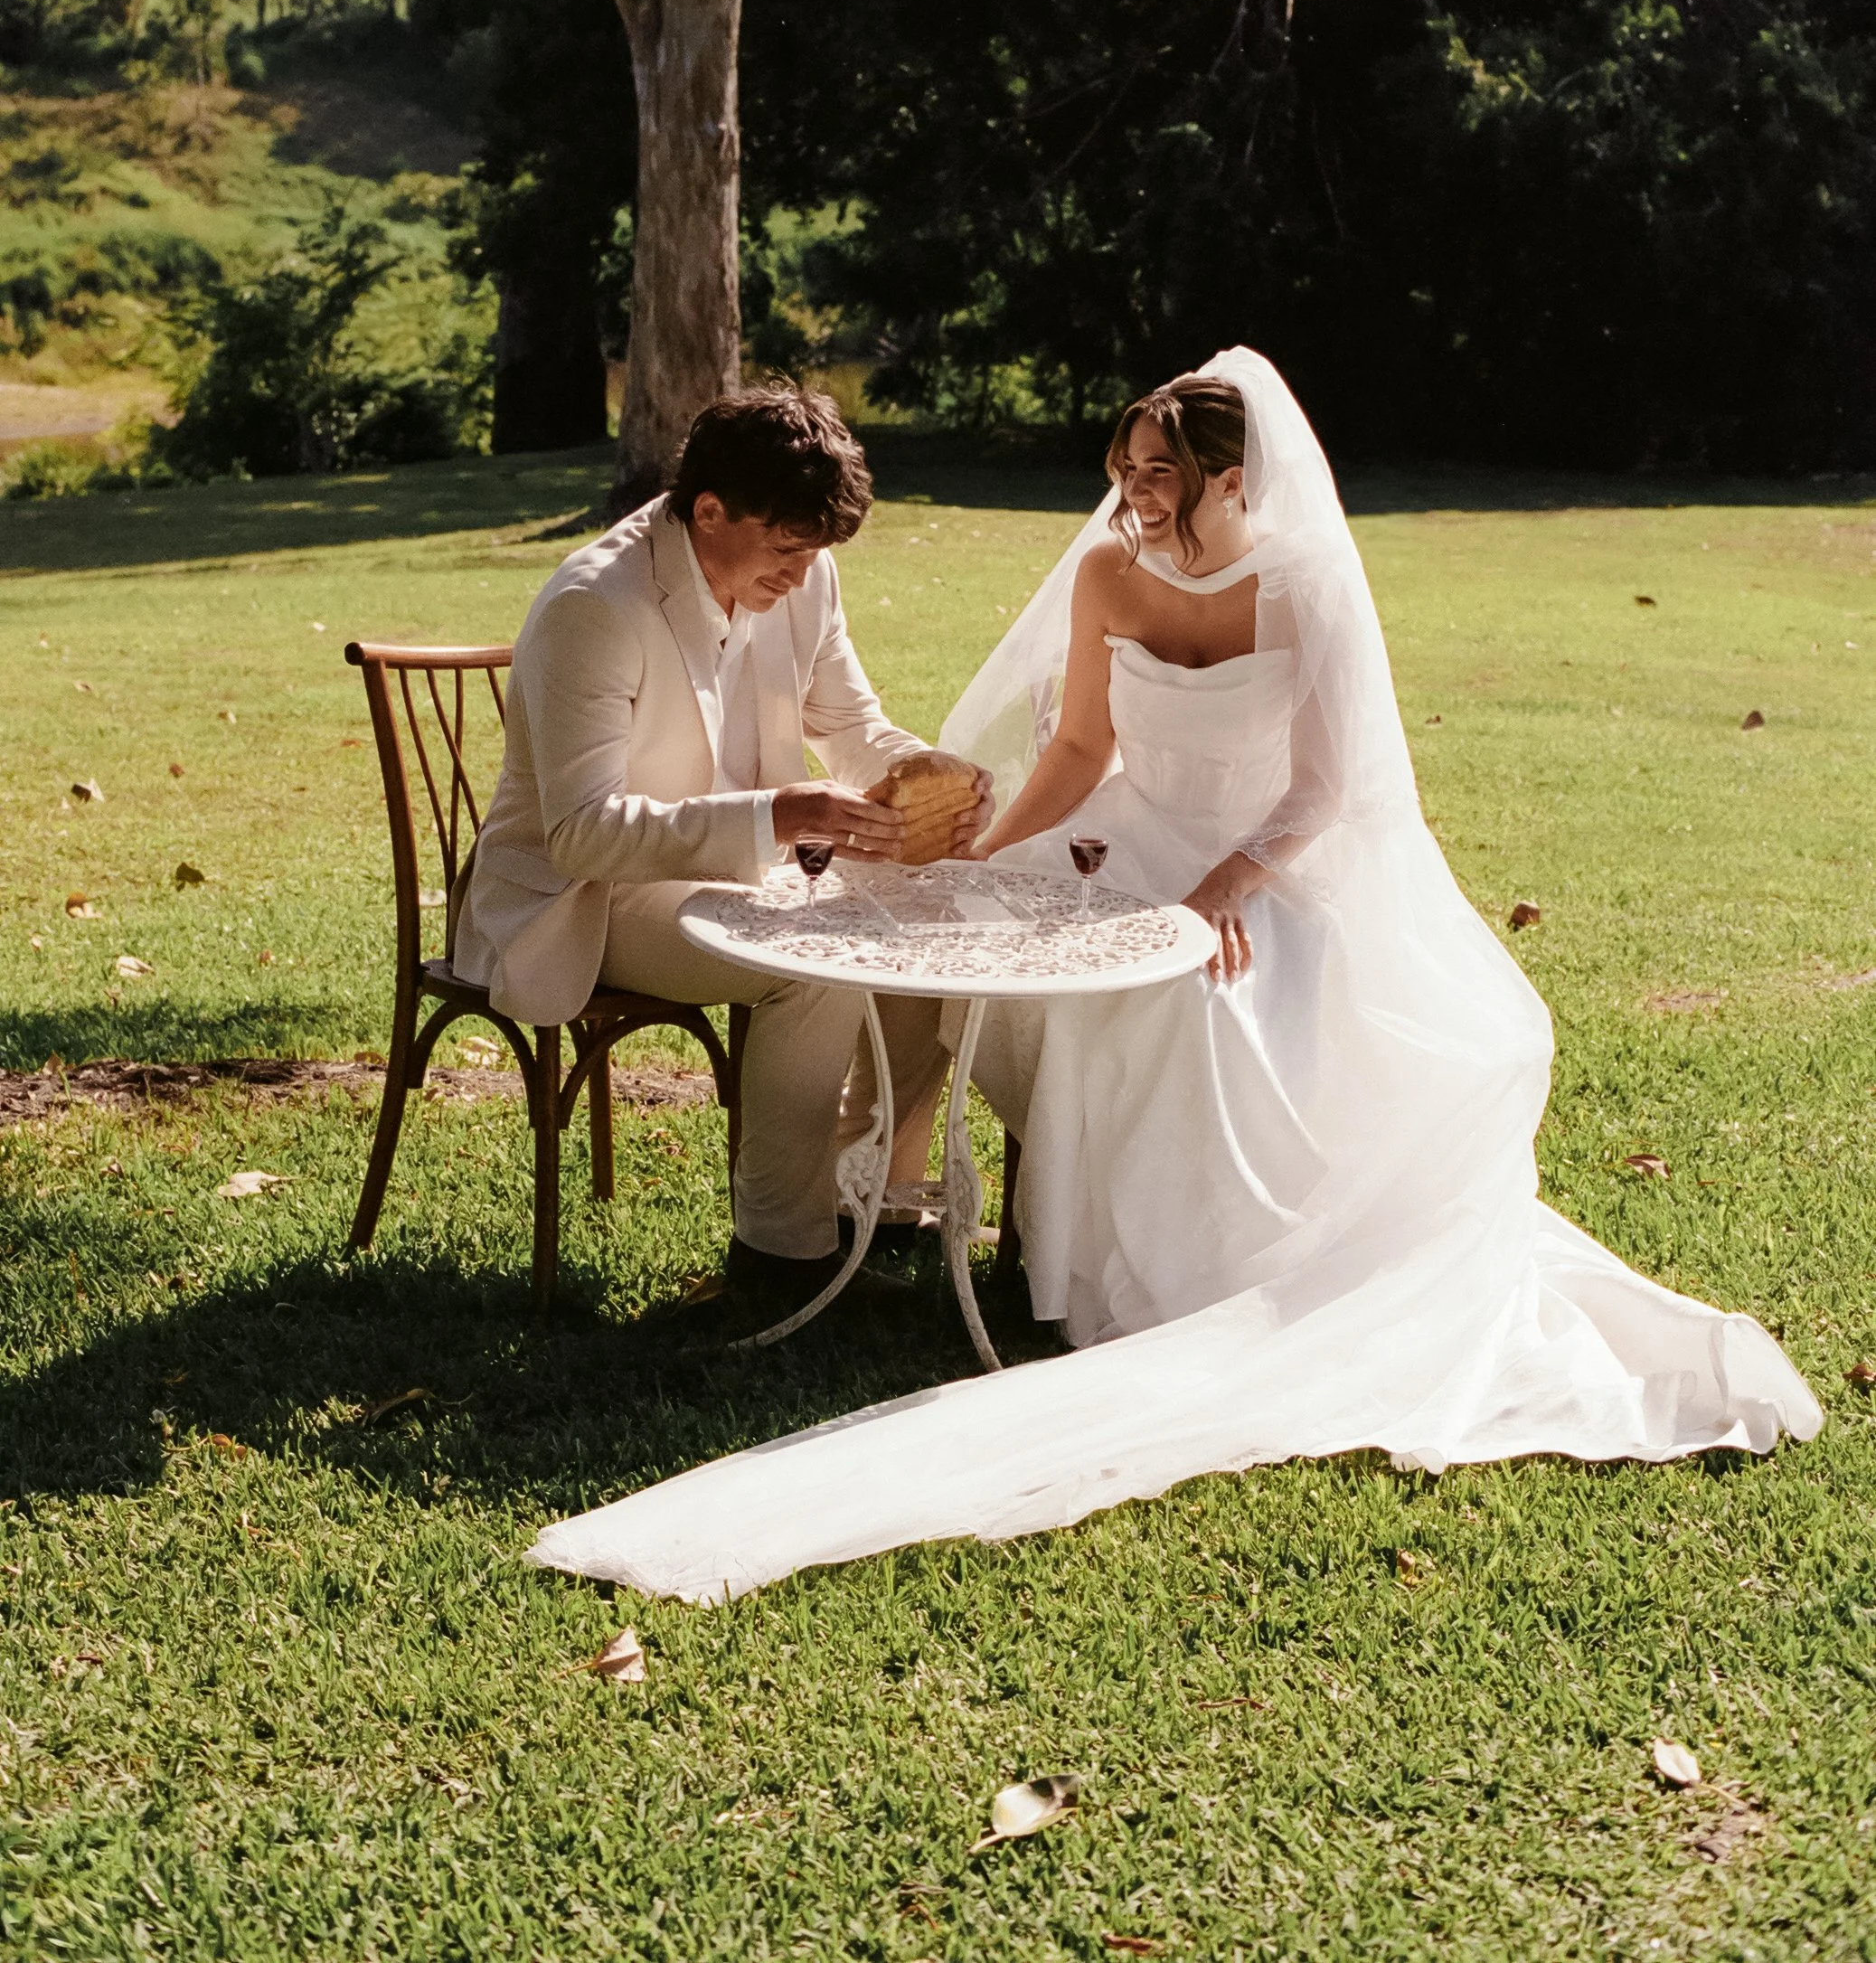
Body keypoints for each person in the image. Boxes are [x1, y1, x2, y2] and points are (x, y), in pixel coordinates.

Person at [526, 348, 1821, 1600]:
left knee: (1133, 984)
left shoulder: (1298, 587)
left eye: (1159, 475)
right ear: (710, 512)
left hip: (1259, 862)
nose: (1133, 497)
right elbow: (1068, 748)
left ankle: (1041, 1251)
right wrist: (876, 818)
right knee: (909, 959)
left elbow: (1314, 786)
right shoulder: (596, 602)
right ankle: (814, 1240)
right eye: (1126, 469)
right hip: (612, 886)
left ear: (1227, 479)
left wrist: (951, 796)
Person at [453, 383, 982, 1307]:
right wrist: (776, 814)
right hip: (580, 897)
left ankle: (875, 1193)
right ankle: (780, 1262)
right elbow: (581, 833)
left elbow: (849, 722)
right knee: (810, 965)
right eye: (786, 544)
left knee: (923, 912)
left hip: (734, 873)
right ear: (708, 511)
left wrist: (921, 767)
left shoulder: (803, 574)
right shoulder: (596, 604)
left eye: (817, 547)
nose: (805, 567)